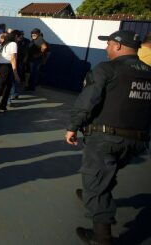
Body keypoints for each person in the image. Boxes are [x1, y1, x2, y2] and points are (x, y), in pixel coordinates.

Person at [65, 30, 150, 245]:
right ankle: (94, 193)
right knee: (105, 173)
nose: (106, 48)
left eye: (109, 44)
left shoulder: (107, 69)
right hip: (136, 142)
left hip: (105, 140)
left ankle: (102, 238)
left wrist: (73, 126)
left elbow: (88, 101)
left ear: (119, 46)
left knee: (96, 184)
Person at [0, 30, 20, 114]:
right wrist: (15, 72)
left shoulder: (1, 44)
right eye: (19, 37)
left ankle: (3, 105)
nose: (19, 39)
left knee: (7, 86)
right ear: (16, 36)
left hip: (1, 66)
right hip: (6, 67)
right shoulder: (13, 44)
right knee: (1, 87)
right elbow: (13, 58)